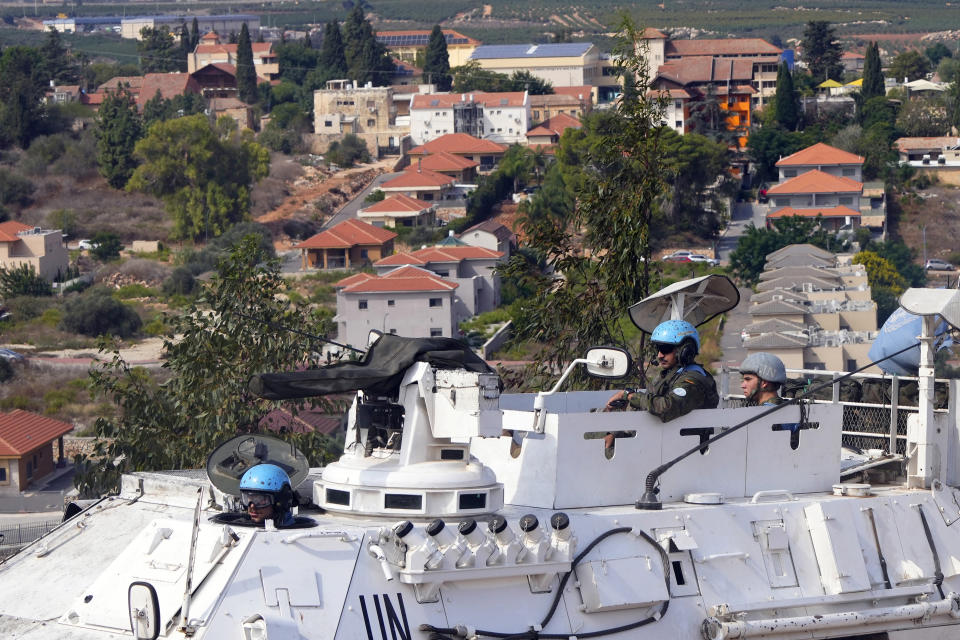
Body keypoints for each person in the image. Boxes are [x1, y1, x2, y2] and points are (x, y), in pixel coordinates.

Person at [605, 319, 720, 422]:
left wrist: (628, 395)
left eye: (665, 349)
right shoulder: (671, 375)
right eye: (658, 349)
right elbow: (651, 402)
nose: (660, 355)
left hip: (689, 444)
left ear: (685, 351)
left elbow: (665, 407)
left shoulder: (692, 380)